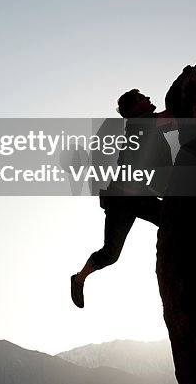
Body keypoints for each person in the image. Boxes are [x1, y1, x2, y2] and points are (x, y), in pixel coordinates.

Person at [70, 89, 175, 309]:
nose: (148, 98)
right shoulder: (140, 123)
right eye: (142, 98)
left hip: (134, 196)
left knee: (170, 221)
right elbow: (172, 119)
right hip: (123, 198)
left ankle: (79, 278)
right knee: (111, 253)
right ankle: (79, 279)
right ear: (134, 108)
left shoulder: (144, 126)